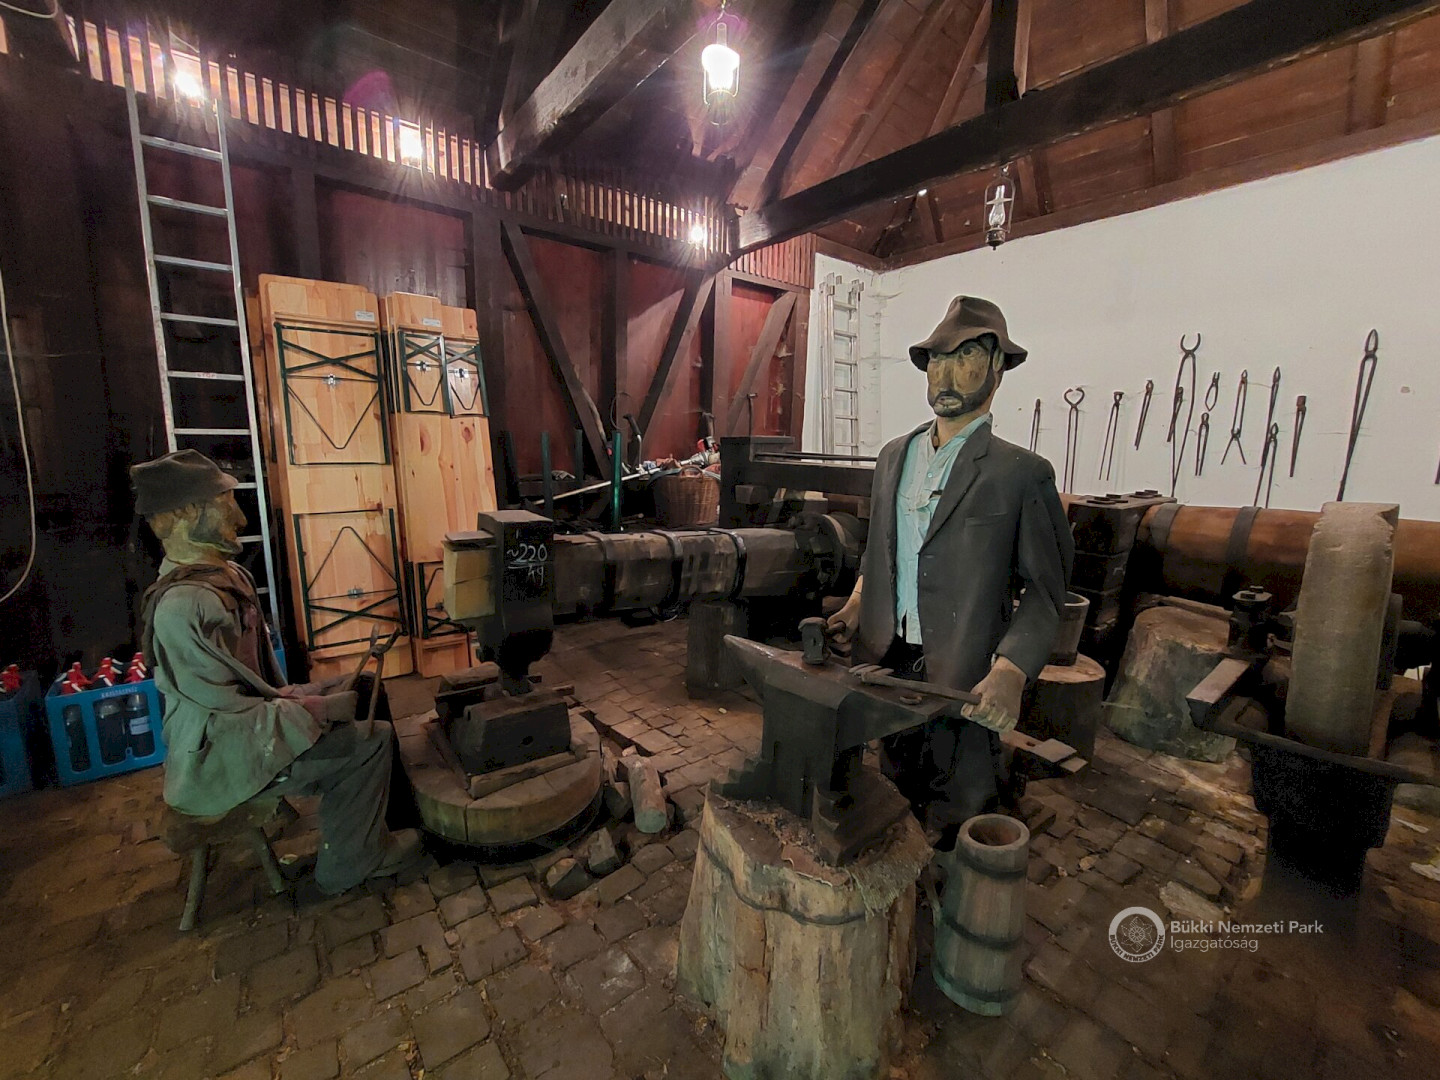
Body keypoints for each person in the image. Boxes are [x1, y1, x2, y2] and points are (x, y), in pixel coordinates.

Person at [826, 296, 1073, 837]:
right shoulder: (893, 457)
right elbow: (880, 551)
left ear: (998, 365)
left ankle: (952, 874)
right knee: (891, 790)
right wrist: (856, 606)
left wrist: (1010, 672)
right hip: (887, 662)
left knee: (960, 809)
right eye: (936, 357)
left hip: (966, 675)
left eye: (965, 356)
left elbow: (1045, 591)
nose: (945, 372)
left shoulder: (1020, 473)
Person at [132, 449, 421, 894]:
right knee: (372, 740)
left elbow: (263, 688)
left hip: (249, 728)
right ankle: (349, 863)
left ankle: (381, 824)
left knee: (365, 689)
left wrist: (313, 695)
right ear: (187, 514)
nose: (240, 518)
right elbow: (232, 715)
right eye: (225, 503)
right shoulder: (183, 606)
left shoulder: (227, 578)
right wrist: (320, 709)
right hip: (221, 755)